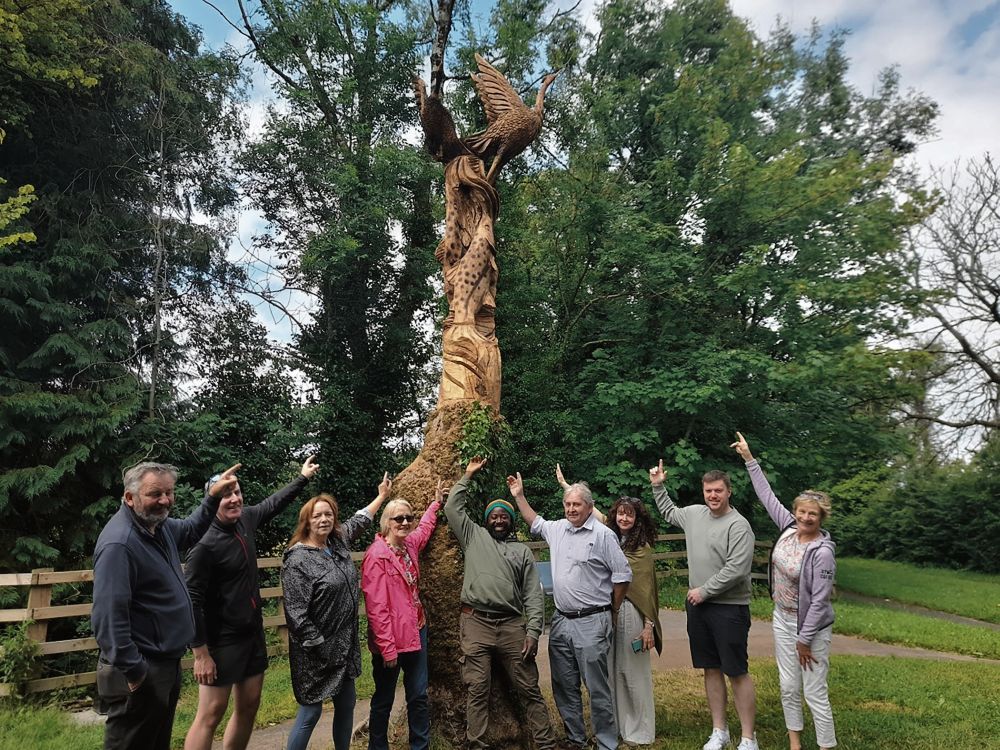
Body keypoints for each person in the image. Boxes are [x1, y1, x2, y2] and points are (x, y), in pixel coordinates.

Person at [92, 461, 239, 750]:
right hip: (143, 666)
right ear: (130, 498)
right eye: (155, 494)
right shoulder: (119, 544)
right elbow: (108, 619)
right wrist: (135, 671)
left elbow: (192, 529)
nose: (165, 500)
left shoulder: (157, 527)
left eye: (169, 492)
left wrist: (212, 497)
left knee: (156, 742)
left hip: (165, 662)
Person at [183, 456, 321, 750]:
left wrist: (302, 478)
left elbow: (273, 504)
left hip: (251, 634)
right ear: (212, 501)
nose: (233, 499)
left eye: (236, 492)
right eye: (225, 494)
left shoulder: (245, 519)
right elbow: (191, 600)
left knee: (248, 706)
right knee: (210, 714)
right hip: (221, 640)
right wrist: (200, 653)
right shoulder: (204, 544)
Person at [507, 471, 631, 750]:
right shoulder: (558, 529)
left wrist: (612, 608)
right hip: (561, 621)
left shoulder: (603, 535)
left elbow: (622, 576)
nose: (572, 509)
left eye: (577, 505)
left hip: (592, 620)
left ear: (589, 506)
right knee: (564, 685)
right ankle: (576, 740)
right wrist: (519, 496)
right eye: (568, 504)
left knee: (596, 687)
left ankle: (606, 743)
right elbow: (535, 521)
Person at [732, 432, 837, 750]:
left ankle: (826, 746)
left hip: (813, 629)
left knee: (814, 691)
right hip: (782, 619)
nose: (806, 517)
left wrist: (804, 640)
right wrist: (750, 459)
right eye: (802, 511)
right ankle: (795, 744)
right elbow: (767, 496)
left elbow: (819, 601)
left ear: (821, 518)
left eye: (812, 514)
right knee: (789, 686)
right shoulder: (789, 529)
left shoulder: (822, 551)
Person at [445, 457, 558, 750]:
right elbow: (452, 508)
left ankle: (546, 743)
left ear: (511, 521)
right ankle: (477, 744)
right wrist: (468, 475)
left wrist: (533, 632)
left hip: (511, 626)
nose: (498, 519)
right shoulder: (473, 536)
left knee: (528, 688)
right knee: (477, 688)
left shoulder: (521, 552)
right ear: (486, 520)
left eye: (504, 516)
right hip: (475, 622)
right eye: (494, 515)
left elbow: (533, 594)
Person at [649, 459, 758, 750]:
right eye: (708, 490)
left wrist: (704, 591)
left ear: (728, 492)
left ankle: (748, 737)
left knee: (736, 670)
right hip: (699, 607)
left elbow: (736, 569)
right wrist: (658, 486)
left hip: (729, 608)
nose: (713, 495)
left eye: (718, 491)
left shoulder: (739, 526)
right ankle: (719, 731)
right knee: (710, 668)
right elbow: (669, 512)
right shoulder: (695, 514)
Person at [281, 473, 393, 750]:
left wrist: (381, 496)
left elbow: (360, 520)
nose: (324, 520)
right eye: (317, 516)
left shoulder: (336, 543)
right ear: (307, 520)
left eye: (329, 515)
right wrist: (318, 644)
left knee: (346, 705)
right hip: (316, 651)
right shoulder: (297, 559)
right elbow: (296, 614)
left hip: (345, 645)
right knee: (311, 712)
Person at [361, 482, 444, 750]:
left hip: (416, 631)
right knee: (384, 698)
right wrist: (387, 649)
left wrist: (435, 504)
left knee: (418, 696)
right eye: (399, 518)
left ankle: (420, 746)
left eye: (408, 517)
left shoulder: (409, 546)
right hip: (391, 640)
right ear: (387, 522)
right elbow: (377, 608)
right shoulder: (377, 556)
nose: (405, 522)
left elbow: (424, 530)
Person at [605, 496, 663, 746]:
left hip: (633, 612)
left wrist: (649, 626)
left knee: (632, 673)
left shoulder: (642, 548)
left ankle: (640, 730)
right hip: (609, 611)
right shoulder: (610, 540)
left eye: (629, 514)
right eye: (620, 513)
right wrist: (566, 486)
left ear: (638, 519)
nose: (624, 518)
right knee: (611, 670)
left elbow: (648, 589)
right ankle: (619, 725)